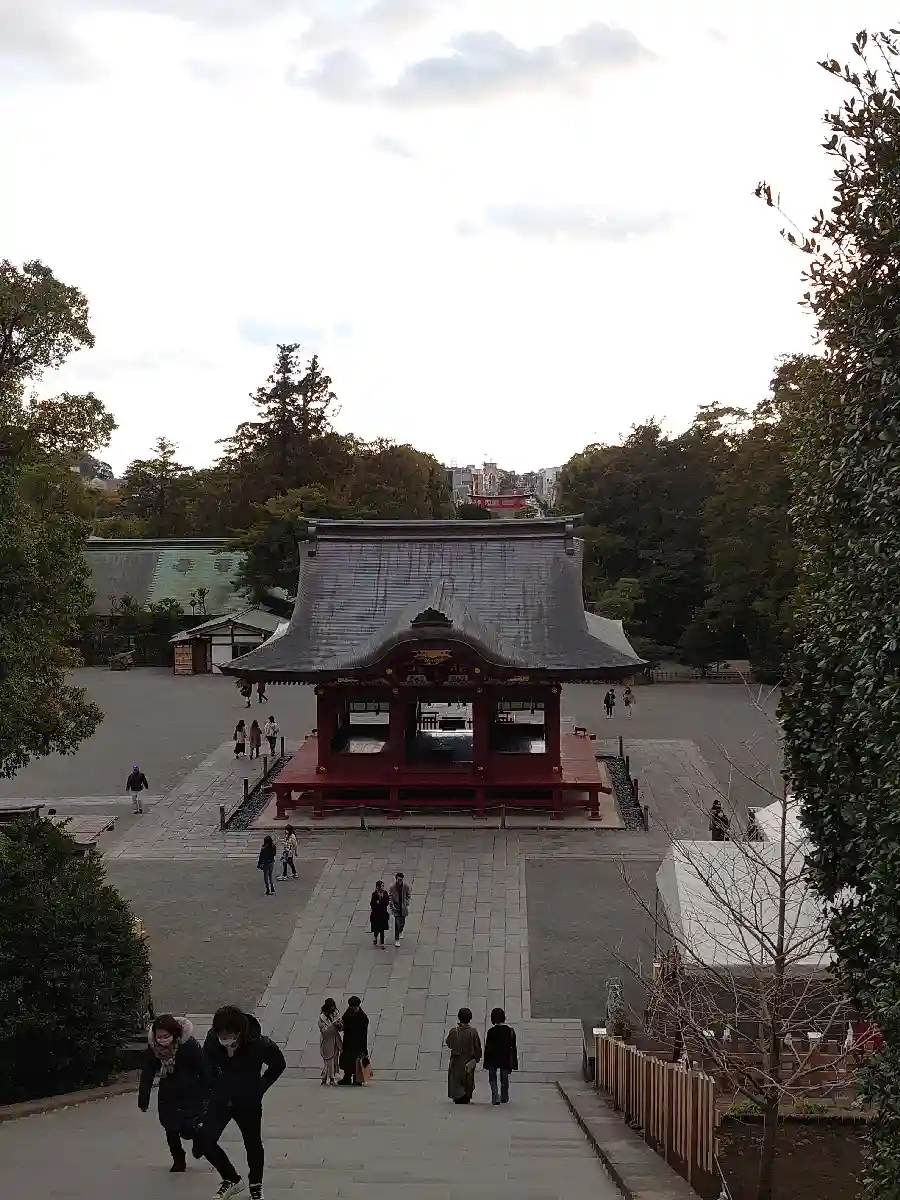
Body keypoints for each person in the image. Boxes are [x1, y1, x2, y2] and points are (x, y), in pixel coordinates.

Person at [199, 1006, 286, 1200]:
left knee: (252, 1144)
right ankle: (231, 1179)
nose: (224, 1038)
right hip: (221, 1099)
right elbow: (206, 1064)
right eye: (221, 1034)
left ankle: (256, 1184)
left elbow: (278, 1064)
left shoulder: (259, 1043)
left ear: (239, 1032)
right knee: (205, 1141)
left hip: (248, 1101)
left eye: (228, 1035)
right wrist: (213, 1083)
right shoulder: (212, 1040)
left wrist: (260, 1088)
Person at [138, 1015, 207, 1171]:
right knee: (170, 1128)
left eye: (166, 1036)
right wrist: (143, 1098)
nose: (163, 1040)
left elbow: (204, 1069)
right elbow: (147, 1073)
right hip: (168, 1093)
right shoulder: (154, 1049)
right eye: (159, 1037)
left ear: (174, 1034)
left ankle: (199, 1140)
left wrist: (207, 1094)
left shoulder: (189, 1045)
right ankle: (178, 1159)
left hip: (190, 1092)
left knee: (189, 1127)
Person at [446, 1007, 482, 1104]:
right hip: (469, 1059)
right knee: (468, 1078)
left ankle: (458, 1096)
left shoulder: (454, 1031)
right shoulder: (473, 1032)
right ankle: (466, 1095)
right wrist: (477, 1057)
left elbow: (449, 1043)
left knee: (456, 1079)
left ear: (459, 1017)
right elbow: (477, 1046)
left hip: (456, 1060)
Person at [483, 1006, 518, 1106]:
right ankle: (504, 1096)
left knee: (492, 1078)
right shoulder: (510, 1031)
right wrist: (514, 1063)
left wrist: (486, 1062)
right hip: (505, 1058)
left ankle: (495, 1096)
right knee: (504, 1078)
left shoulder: (491, 1031)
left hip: (492, 1058)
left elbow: (487, 1047)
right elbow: (513, 1048)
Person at [338, 996, 369, 1085]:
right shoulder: (348, 1013)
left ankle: (357, 1078)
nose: (354, 1009)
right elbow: (344, 1023)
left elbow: (363, 1029)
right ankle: (347, 1077)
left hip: (358, 1043)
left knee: (358, 1061)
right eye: (352, 1007)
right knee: (348, 1060)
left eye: (355, 1007)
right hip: (349, 1042)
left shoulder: (362, 1016)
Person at [318, 998, 343, 1086]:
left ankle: (329, 1076)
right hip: (327, 1042)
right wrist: (332, 1025)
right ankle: (330, 1078)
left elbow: (340, 1028)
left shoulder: (336, 1013)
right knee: (329, 1060)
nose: (333, 1009)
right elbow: (324, 1031)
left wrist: (339, 1025)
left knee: (335, 1059)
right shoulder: (322, 1018)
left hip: (335, 1040)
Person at [388, 871, 410, 947]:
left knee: (402, 922)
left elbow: (408, 895)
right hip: (396, 906)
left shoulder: (406, 886)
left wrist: (407, 902)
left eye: (400, 879)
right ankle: (397, 939)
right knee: (397, 923)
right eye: (398, 879)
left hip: (403, 905)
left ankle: (401, 930)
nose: (399, 881)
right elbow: (390, 896)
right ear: (396, 879)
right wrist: (391, 904)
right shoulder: (392, 886)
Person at [370, 880, 390, 948]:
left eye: (383, 886)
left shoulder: (385, 893)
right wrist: (376, 902)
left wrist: (380, 902)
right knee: (376, 929)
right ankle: (375, 937)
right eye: (382, 886)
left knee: (382, 929)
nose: (383, 887)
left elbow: (387, 902)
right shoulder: (374, 894)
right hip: (376, 914)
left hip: (383, 914)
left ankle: (382, 943)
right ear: (378, 887)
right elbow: (372, 904)